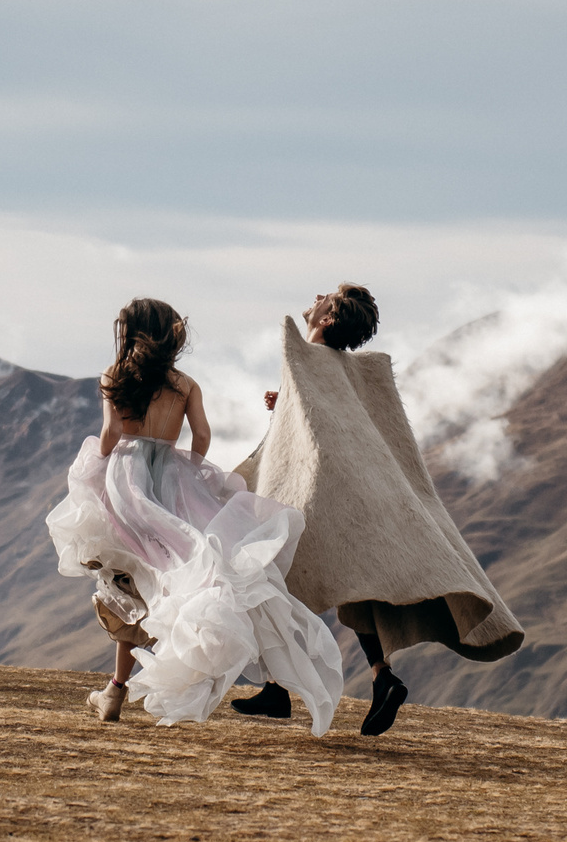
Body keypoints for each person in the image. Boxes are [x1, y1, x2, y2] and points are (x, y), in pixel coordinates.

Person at [233, 283, 524, 736]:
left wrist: (291, 397)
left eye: (325, 297)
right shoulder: (342, 371)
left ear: (327, 320)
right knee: (358, 586)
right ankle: (380, 675)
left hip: (315, 489)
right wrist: (286, 404)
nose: (316, 296)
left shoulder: (308, 360)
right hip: (351, 489)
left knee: (271, 575)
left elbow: (315, 441)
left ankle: (277, 687)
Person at [44, 298, 347, 734]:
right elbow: (201, 436)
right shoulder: (185, 385)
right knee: (175, 570)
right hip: (171, 476)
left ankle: (116, 689)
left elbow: (110, 434)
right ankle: (120, 685)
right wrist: (184, 470)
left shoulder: (115, 377)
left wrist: (100, 464)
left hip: (126, 479)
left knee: (132, 580)